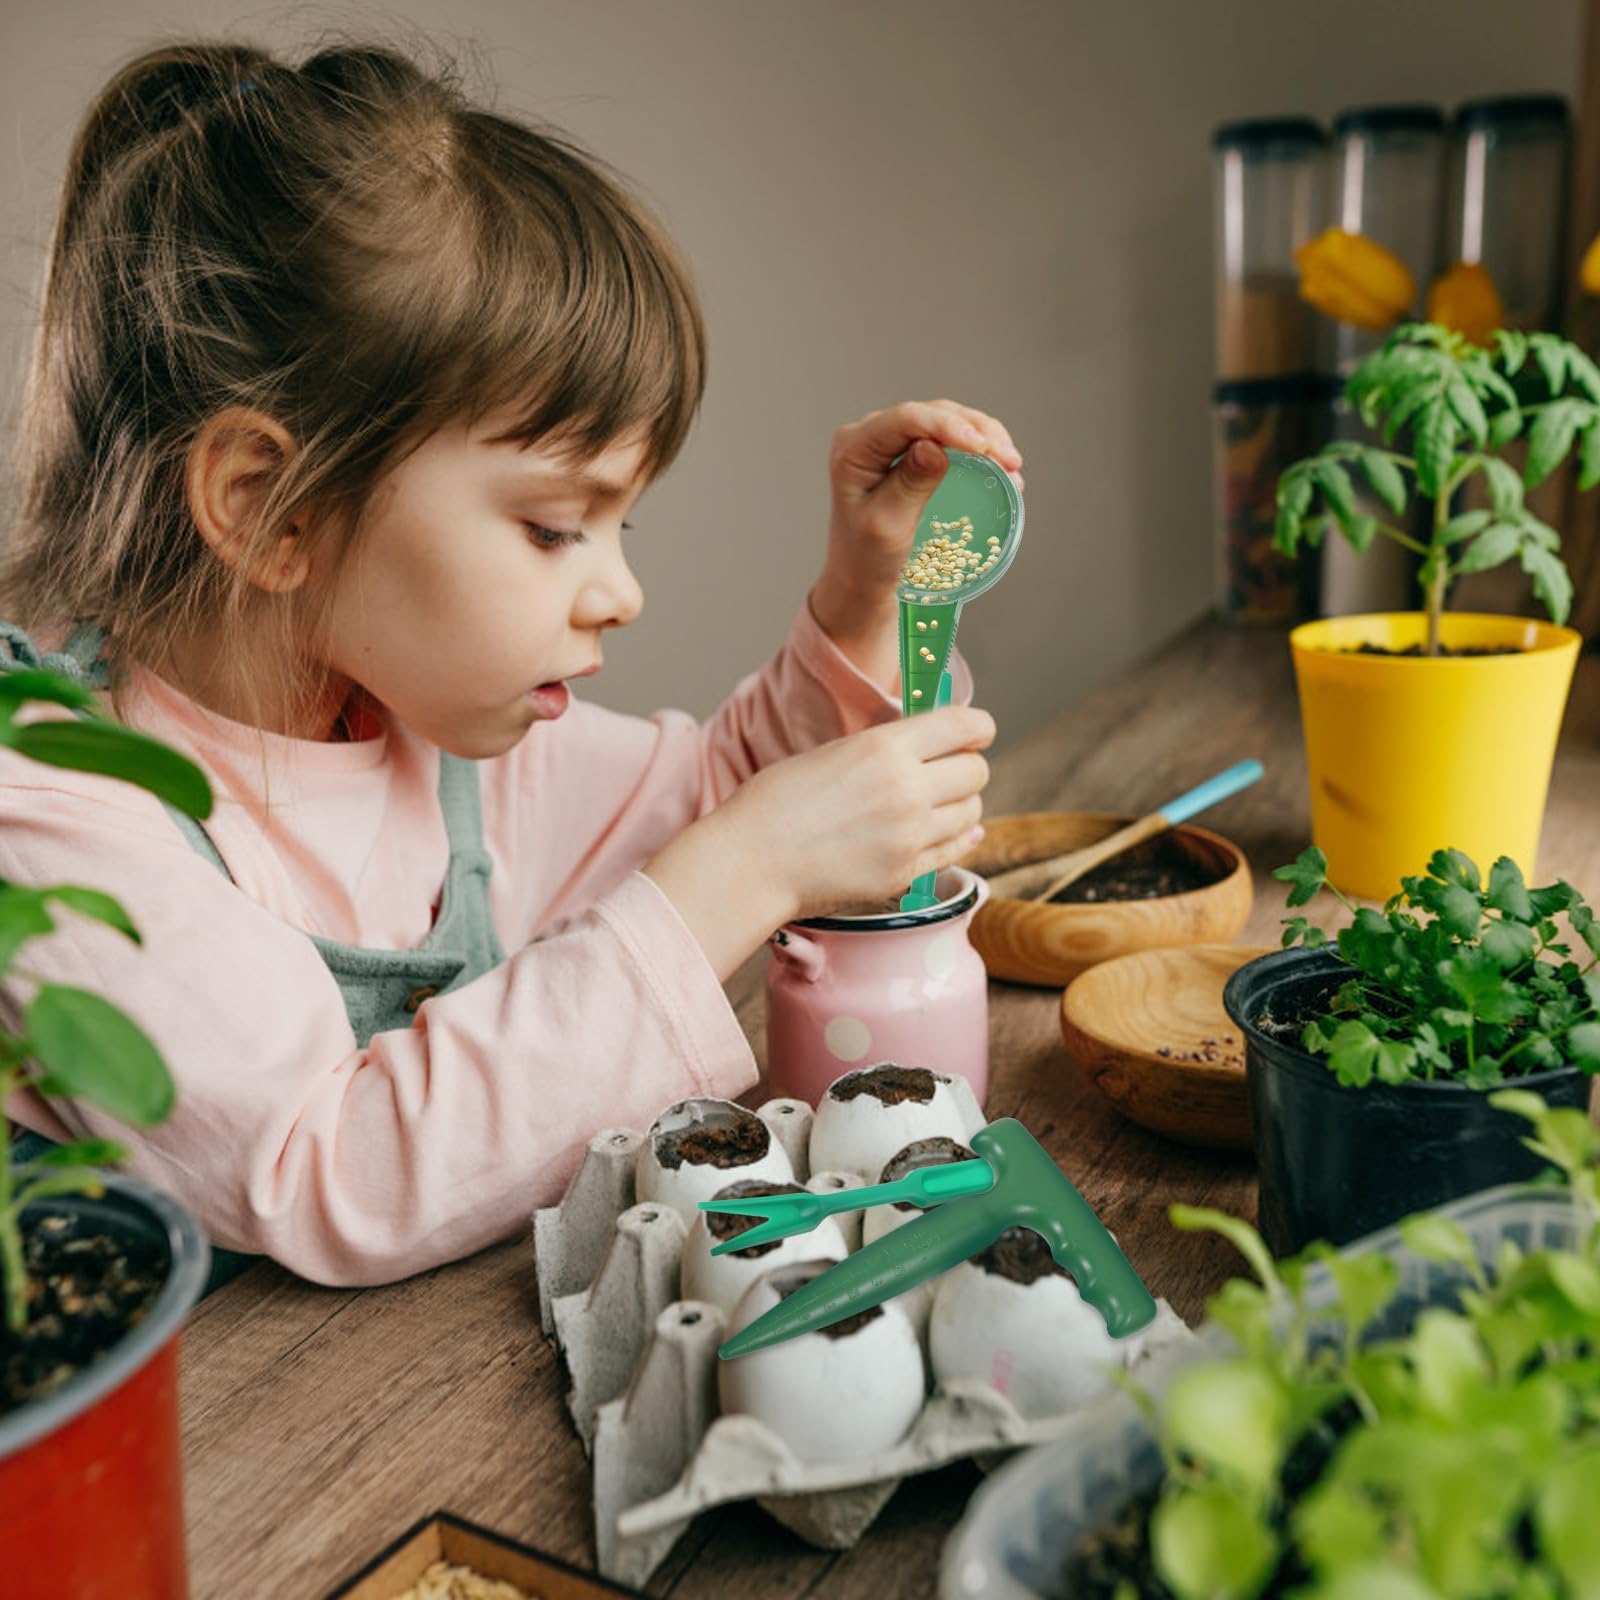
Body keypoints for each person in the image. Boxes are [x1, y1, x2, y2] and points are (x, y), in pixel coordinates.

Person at [0, 39, 1020, 1289]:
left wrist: (863, 598)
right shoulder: (54, 817)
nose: (622, 593)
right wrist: (753, 861)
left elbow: (717, 806)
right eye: (550, 528)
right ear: (269, 504)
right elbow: (330, 1168)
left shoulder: (435, 729)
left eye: (619, 525)